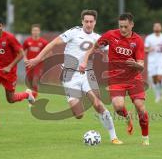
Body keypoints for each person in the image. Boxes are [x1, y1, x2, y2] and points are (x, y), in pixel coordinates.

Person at [25, 10, 123, 144]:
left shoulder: (98, 38)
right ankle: (77, 99)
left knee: (98, 105)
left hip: (88, 74)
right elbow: (53, 43)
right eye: (86, 21)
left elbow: (115, 51)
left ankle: (114, 137)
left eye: (91, 22)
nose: (88, 24)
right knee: (79, 114)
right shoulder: (73, 32)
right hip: (69, 75)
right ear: (82, 21)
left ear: (95, 22)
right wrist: (37, 58)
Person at [79, 12, 149, 145]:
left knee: (140, 107)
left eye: (125, 27)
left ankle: (145, 138)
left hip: (134, 78)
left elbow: (141, 65)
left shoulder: (138, 40)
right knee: (118, 106)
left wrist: (135, 64)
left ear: (132, 25)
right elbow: (94, 47)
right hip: (116, 78)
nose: (122, 29)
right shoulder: (111, 35)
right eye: (121, 26)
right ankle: (127, 117)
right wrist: (85, 59)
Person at [144, 22, 162, 103]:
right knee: (154, 79)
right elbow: (145, 50)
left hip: (161, 60)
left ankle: (161, 91)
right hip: (152, 61)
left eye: (158, 26)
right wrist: (149, 49)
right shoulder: (149, 38)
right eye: (155, 26)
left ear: (161, 28)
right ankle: (157, 95)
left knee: (160, 77)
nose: (157, 27)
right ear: (153, 28)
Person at [23, 24, 48, 96]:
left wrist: (40, 59)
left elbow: (49, 53)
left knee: (35, 82)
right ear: (31, 31)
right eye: (34, 30)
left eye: (37, 30)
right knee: (29, 83)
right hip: (29, 64)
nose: (35, 32)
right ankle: (30, 97)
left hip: (39, 65)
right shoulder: (27, 41)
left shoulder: (43, 42)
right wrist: (25, 59)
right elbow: (22, 51)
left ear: (39, 32)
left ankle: (33, 100)